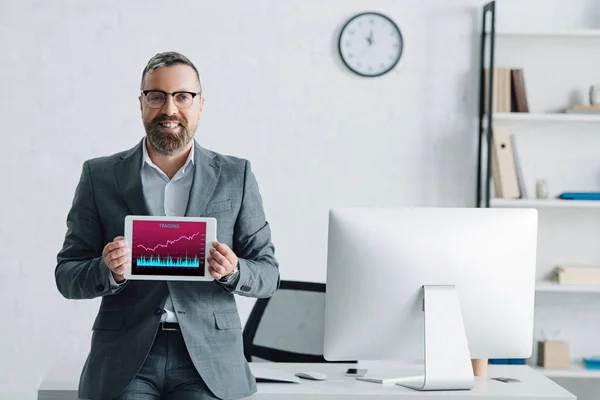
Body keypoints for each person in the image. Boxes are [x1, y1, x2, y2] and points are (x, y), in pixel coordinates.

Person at [55, 51, 280, 400]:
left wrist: (235, 271)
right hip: (125, 357)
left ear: (201, 104)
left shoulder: (237, 176)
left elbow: (268, 275)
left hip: (208, 359)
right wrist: (108, 270)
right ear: (141, 103)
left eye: (182, 97)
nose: (169, 109)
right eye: (156, 96)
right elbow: (67, 275)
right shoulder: (100, 176)